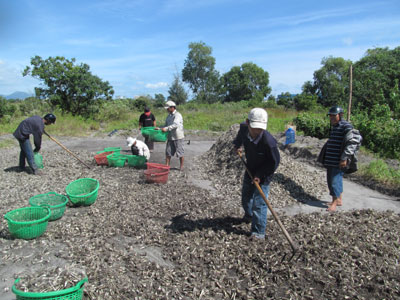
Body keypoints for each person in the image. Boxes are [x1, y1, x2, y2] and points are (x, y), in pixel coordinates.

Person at [233, 108, 280, 240]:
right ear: (248, 122)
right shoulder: (243, 128)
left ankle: (258, 232)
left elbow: (274, 163)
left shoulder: (269, 142)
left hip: (264, 173)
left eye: (260, 129)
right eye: (255, 128)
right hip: (250, 168)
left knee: (259, 203)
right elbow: (240, 137)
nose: (257, 131)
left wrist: (260, 175)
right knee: (246, 197)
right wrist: (237, 145)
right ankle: (249, 215)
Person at [319, 105, 354, 212]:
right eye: (330, 116)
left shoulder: (346, 126)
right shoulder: (335, 127)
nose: (332, 118)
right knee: (336, 180)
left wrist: (344, 158)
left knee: (334, 181)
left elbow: (351, 143)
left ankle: (334, 203)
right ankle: (339, 199)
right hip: (331, 160)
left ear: (340, 115)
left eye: (334, 116)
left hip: (338, 161)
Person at [158, 100, 184, 170]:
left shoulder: (177, 115)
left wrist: (166, 129)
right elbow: (166, 125)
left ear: (172, 107)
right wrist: (159, 128)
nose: (167, 110)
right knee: (168, 152)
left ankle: (181, 166)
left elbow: (175, 125)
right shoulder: (169, 116)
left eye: (168, 108)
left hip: (177, 136)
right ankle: (167, 166)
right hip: (170, 136)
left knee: (180, 152)